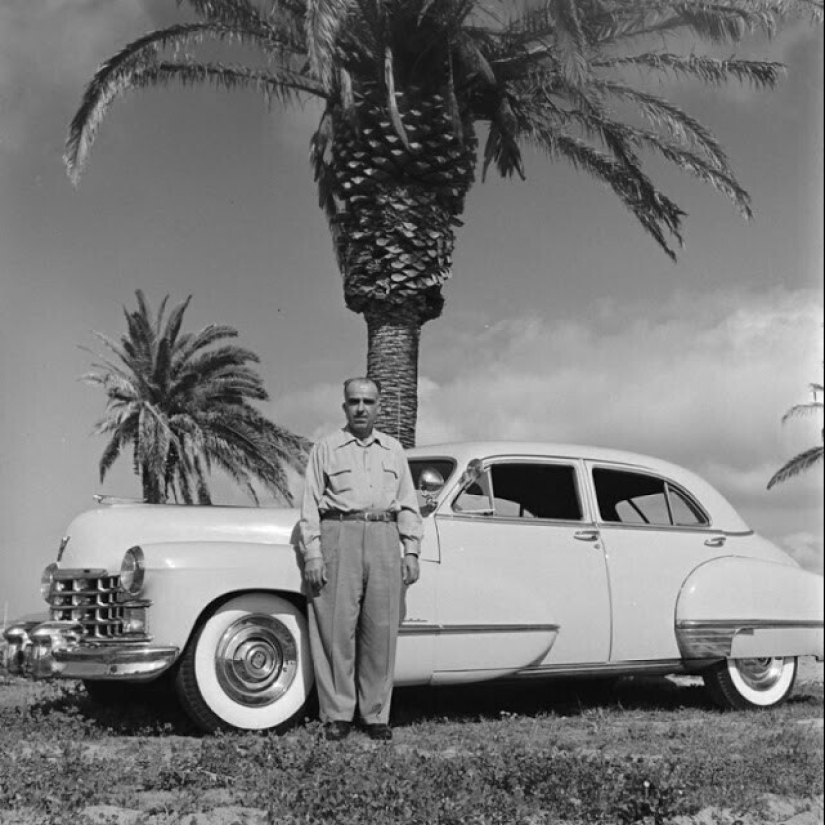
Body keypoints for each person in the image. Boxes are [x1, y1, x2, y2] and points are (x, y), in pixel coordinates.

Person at [299, 377, 422, 741]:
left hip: (384, 536)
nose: (361, 408)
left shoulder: (394, 450)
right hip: (340, 533)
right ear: (344, 406)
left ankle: (375, 714)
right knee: (336, 629)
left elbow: (409, 504)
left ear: (379, 406)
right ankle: (337, 713)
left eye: (369, 401)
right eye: (354, 401)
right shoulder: (327, 448)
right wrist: (313, 554)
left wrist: (411, 549)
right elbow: (309, 505)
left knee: (381, 630)